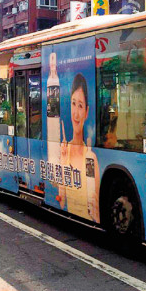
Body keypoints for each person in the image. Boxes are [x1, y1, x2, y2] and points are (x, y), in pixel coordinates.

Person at [57, 73, 100, 223]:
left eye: (80, 106)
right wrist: (63, 163)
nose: (76, 113)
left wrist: (96, 212)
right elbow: (61, 202)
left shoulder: (91, 157)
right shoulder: (64, 151)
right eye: (73, 103)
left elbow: (96, 214)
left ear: (87, 112)